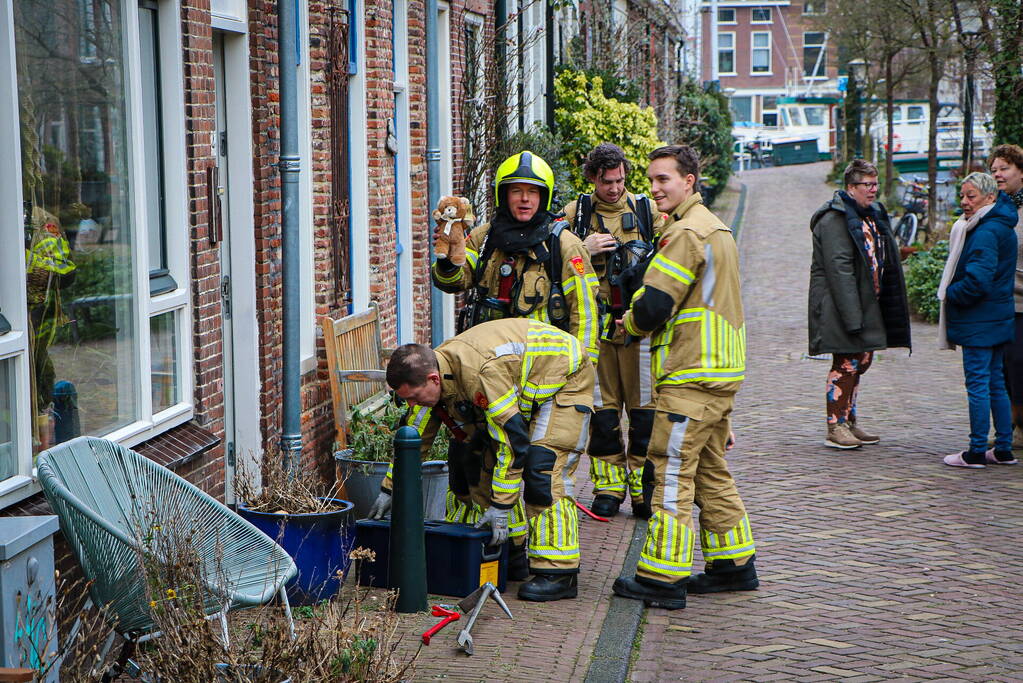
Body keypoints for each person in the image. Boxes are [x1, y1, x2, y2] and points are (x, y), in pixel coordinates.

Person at [610, 145, 756, 610]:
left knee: (669, 472)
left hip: (689, 374)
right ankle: (733, 565)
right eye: (651, 181)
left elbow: (654, 306)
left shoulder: (686, 232)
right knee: (711, 469)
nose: (654, 189)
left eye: (663, 180)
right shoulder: (716, 228)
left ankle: (662, 578)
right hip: (720, 373)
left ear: (689, 180)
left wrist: (626, 326)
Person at [371, 319, 594, 601]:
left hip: (565, 379)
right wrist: (391, 488)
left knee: (543, 471)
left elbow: (512, 443)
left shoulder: (481, 374)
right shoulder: (436, 372)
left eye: (414, 397)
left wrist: (501, 507)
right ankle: (512, 556)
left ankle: (559, 572)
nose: (413, 404)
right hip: (522, 383)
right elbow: (414, 436)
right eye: (407, 400)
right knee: (474, 462)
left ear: (433, 380)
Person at [559, 143, 667, 519]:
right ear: (593, 178)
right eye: (608, 182)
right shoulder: (576, 215)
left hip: (639, 330)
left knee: (644, 414)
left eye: (620, 180)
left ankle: (642, 489)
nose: (616, 189)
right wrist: (583, 248)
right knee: (603, 415)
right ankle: (608, 488)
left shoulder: (646, 212)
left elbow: (673, 250)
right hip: (599, 333)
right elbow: (554, 261)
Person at [432, 151, 599, 362]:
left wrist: (583, 366)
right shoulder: (483, 238)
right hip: (488, 362)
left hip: (544, 368)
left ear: (544, 197)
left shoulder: (565, 245)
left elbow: (585, 314)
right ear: (503, 195)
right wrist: (447, 260)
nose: (525, 199)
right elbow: (453, 282)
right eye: (516, 191)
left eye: (533, 191)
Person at [808, 159, 911, 449]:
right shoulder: (834, 219)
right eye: (867, 185)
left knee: (862, 360)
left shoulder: (870, 215)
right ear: (850, 188)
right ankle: (835, 426)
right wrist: (852, 317)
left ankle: (849, 420)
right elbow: (840, 270)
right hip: (841, 305)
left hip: (868, 302)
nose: (873, 190)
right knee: (846, 362)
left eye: (875, 184)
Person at [938, 172, 1019, 468]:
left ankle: (975, 451)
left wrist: (950, 292)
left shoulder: (985, 231)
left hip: (979, 320)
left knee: (978, 383)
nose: (964, 202)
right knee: (996, 382)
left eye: (971, 196)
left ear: (990, 198)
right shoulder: (1002, 226)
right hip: (997, 316)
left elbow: (978, 281)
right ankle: (1003, 449)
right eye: (962, 196)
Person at [989, 144, 1023, 448]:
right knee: (1002, 366)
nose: (998, 174)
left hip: (1022, 300)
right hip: (999, 299)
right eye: (995, 169)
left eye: (1004, 168)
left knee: (1018, 362)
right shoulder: (995, 206)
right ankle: (1010, 425)